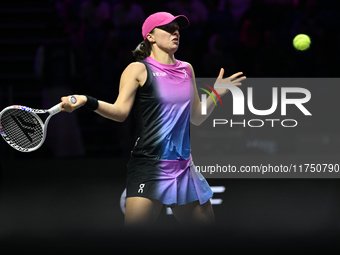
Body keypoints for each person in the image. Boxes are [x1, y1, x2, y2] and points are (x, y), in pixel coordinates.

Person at [60, 12, 245, 227]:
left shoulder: (187, 69)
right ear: (150, 36)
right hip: (149, 166)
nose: (175, 32)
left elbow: (196, 117)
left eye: (177, 28)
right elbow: (120, 112)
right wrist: (86, 100)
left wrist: (215, 94)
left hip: (184, 167)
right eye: (167, 28)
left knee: (208, 239)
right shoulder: (138, 69)